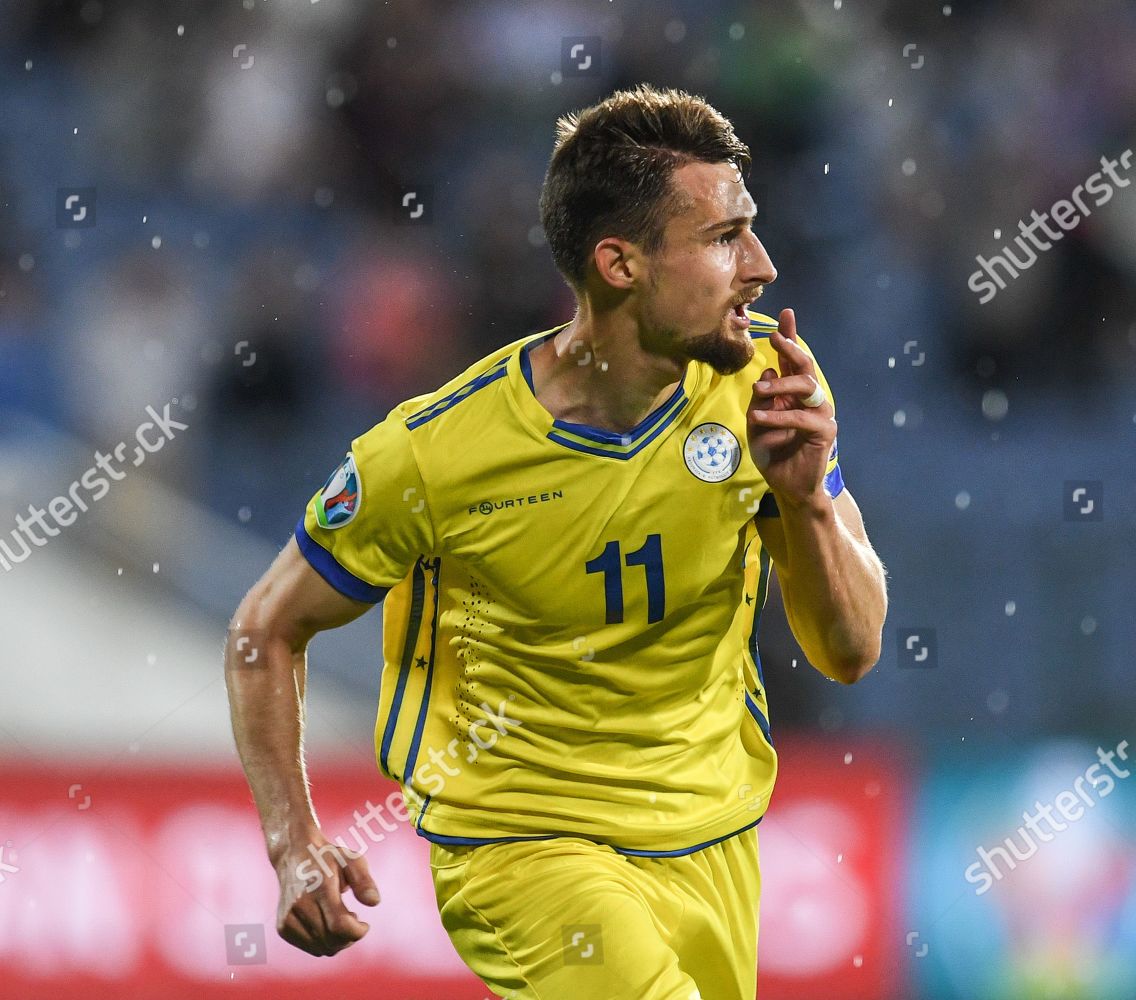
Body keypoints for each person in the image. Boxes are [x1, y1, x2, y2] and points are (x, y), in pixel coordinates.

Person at [224, 83, 887, 999]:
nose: (762, 266)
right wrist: (294, 843)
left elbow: (849, 652)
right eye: (724, 237)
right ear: (621, 265)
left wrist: (806, 500)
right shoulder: (432, 455)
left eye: (752, 228)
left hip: (713, 838)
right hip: (523, 846)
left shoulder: (765, 387)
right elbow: (265, 631)